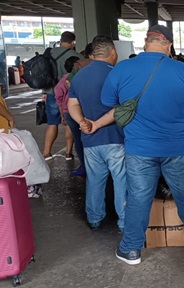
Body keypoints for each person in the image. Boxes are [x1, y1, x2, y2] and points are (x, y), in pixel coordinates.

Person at [101, 25, 184, 265]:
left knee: (138, 197)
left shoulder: (122, 68)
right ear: (168, 45)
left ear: (146, 42)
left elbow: (109, 102)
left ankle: (131, 249)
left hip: (139, 149)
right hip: (178, 147)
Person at [67, 36, 126, 233]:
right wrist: (98, 124)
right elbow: (122, 108)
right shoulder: (117, 74)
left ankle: (94, 218)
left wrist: (82, 122)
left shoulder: (79, 76)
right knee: (121, 180)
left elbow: (72, 104)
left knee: (94, 180)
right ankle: (124, 221)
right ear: (113, 53)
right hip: (116, 138)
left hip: (90, 140)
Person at [41, 31, 83, 161]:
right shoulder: (76, 56)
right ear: (72, 42)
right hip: (68, 95)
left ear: (61, 40)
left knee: (52, 124)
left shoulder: (49, 54)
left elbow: (44, 72)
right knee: (69, 123)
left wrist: (44, 91)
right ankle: (68, 152)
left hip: (51, 92)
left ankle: (46, 152)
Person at [54, 56, 85, 177]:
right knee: (85, 137)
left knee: (77, 138)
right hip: (80, 110)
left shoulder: (62, 81)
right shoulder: (79, 78)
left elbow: (59, 99)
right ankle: (87, 164)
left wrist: (62, 115)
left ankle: (83, 164)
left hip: (68, 112)